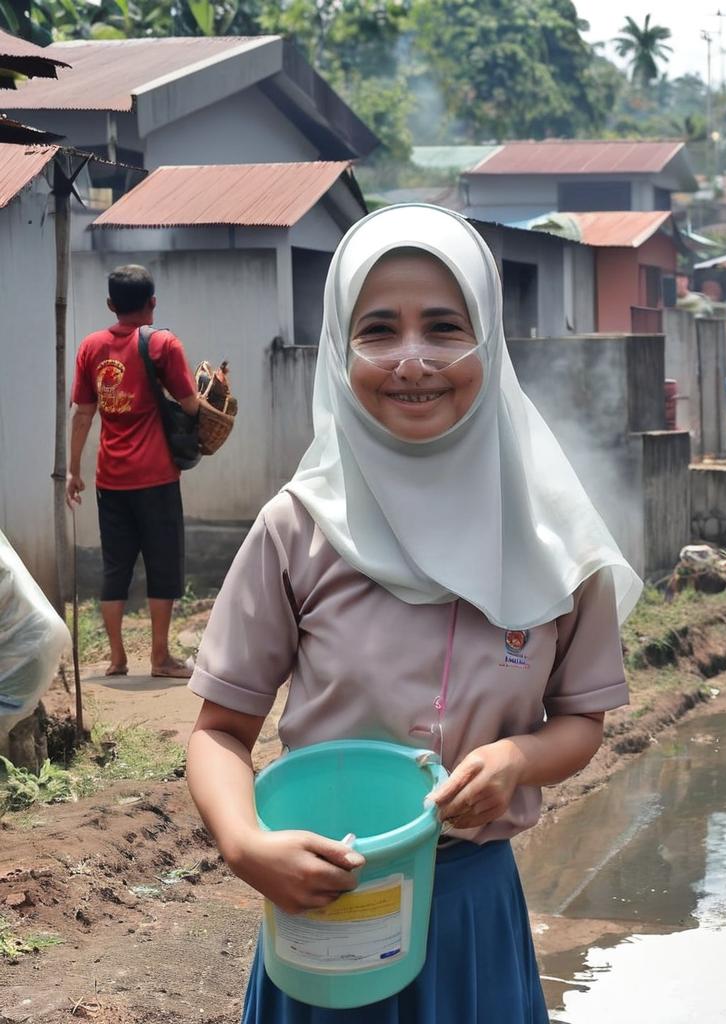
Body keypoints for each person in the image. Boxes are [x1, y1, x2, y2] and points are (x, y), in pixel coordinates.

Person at [185, 204, 642, 1023]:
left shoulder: (553, 540)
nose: (412, 362)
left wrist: (518, 760)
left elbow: (581, 719)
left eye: (442, 327)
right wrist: (247, 845)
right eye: (378, 331)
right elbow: (220, 731)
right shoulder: (299, 529)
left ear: (488, 341)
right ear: (340, 348)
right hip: (326, 913)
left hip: (471, 918)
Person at [66, 264, 199, 678]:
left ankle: (117, 658)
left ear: (111, 305)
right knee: (162, 565)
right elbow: (191, 405)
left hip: (110, 479)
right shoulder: (163, 344)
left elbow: (83, 415)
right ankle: (160, 658)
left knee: (114, 567)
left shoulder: (90, 347)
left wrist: (73, 471)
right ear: (152, 302)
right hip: (157, 476)